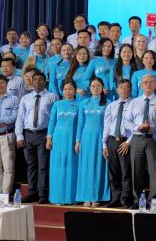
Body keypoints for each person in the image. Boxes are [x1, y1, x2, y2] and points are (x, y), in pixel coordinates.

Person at [16, 72, 58, 203]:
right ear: (31, 82)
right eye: (35, 80)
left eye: (41, 80)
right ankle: (31, 192)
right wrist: (19, 136)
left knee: (43, 165)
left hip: (44, 134)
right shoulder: (26, 98)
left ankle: (43, 193)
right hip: (28, 134)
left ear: (45, 82)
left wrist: (51, 136)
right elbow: (20, 117)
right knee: (31, 165)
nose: (38, 82)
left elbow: (55, 118)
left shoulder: (52, 97)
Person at [126, 74, 156, 204]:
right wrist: (138, 127)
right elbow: (127, 122)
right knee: (136, 170)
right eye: (145, 82)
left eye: (150, 82)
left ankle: (153, 199)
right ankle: (137, 200)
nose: (148, 84)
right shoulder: (134, 102)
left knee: (154, 170)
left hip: (153, 138)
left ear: (155, 85)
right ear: (141, 85)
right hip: (137, 138)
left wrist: (151, 126)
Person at [75, 78, 110, 206]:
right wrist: (78, 140)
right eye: (93, 86)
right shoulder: (83, 103)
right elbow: (80, 123)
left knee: (99, 166)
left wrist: (105, 141)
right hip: (86, 137)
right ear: (89, 88)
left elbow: (108, 124)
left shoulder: (108, 103)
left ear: (102, 87)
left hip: (101, 137)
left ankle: (97, 196)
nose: (95, 88)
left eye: (98, 85)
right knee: (86, 166)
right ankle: (86, 196)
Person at [46, 82, 79, 204]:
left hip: (72, 139)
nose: (68, 91)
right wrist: (49, 138)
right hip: (58, 138)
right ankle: (57, 197)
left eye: (70, 89)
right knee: (58, 167)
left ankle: (72, 197)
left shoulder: (79, 104)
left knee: (72, 166)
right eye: (65, 89)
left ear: (75, 90)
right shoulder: (57, 104)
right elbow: (52, 122)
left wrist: (78, 140)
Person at [103, 79, 134, 208]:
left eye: (127, 87)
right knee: (113, 172)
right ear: (117, 89)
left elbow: (136, 126)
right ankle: (115, 198)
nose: (124, 90)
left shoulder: (134, 104)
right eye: (121, 87)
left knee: (126, 171)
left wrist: (128, 142)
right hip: (111, 141)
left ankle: (125, 199)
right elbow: (107, 124)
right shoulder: (112, 105)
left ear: (131, 89)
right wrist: (104, 144)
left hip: (125, 141)